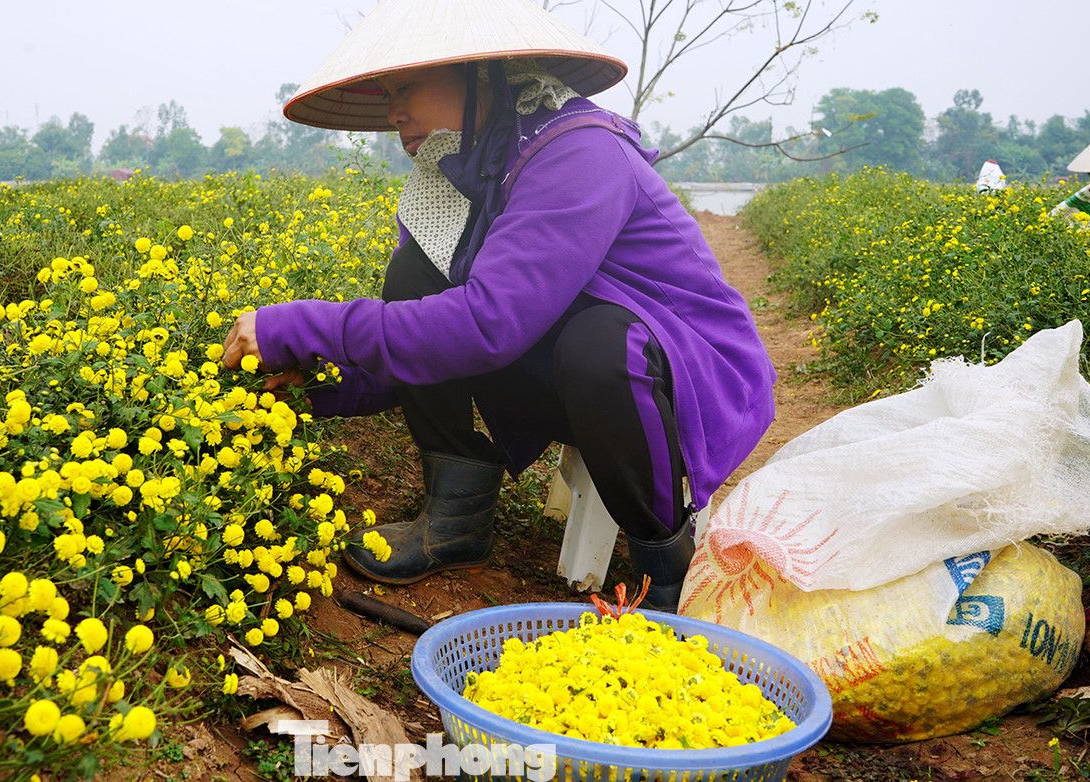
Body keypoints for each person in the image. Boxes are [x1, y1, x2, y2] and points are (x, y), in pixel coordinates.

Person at [222, 0, 776, 612]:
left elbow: (487, 325)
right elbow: (439, 337)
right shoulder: (460, 171)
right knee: (419, 272)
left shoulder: (579, 149)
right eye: (387, 94)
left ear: (480, 75)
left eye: (407, 87)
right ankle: (455, 513)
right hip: (572, 366)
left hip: (683, 373)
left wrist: (300, 324)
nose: (394, 110)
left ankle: (664, 565)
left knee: (599, 344)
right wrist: (324, 386)